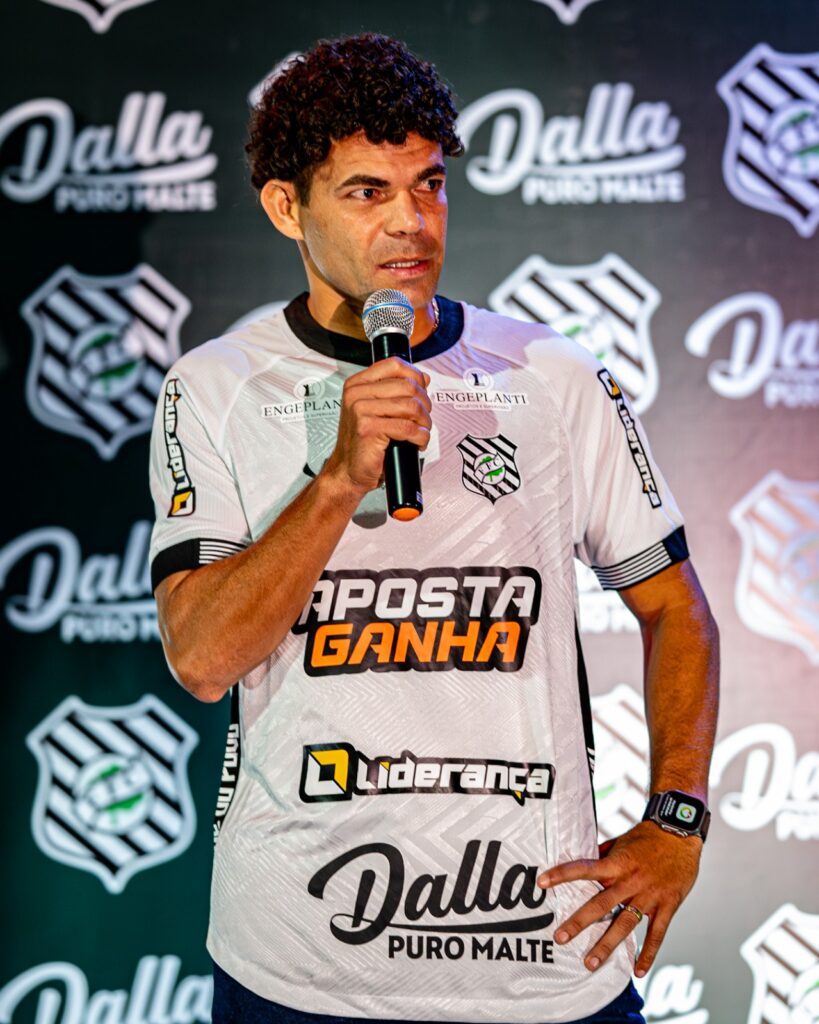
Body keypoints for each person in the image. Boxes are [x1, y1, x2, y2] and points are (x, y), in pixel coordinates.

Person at [148, 33, 719, 1024]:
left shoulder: (552, 375)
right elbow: (202, 659)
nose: (411, 221)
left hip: (539, 957)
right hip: (300, 962)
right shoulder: (215, 387)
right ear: (286, 207)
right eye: (367, 192)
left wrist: (676, 819)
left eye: (430, 185)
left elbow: (677, 610)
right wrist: (338, 480)